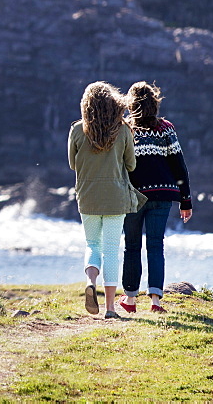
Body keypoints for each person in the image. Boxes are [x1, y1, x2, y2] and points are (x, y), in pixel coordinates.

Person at [68, 81, 146, 319]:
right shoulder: (123, 130)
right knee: (111, 250)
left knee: (93, 245)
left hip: (88, 195)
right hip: (115, 197)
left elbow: (73, 164)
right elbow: (131, 164)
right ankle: (111, 309)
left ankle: (91, 281)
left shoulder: (77, 130)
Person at [118, 81, 193, 314]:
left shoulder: (125, 128)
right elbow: (179, 165)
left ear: (131, 104)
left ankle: (130, 300)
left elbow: (119, 165)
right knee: (155, 246)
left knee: (132, 246)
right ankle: (155, 301)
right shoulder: (166, 128)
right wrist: (186, 200)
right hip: (162, 196)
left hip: (133, 197)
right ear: (155, 103)